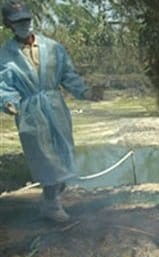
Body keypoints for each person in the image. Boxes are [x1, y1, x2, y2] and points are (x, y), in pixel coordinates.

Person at [0, 0, 101, 222]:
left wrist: (85, 91)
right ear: (8, 24)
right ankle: (52, 204)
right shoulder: (5, 55)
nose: (24, 24)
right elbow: (3, 85)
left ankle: (51, 200)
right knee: (43, 158)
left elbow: (67, 75)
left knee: (64, 154)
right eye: (18, 22)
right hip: (29, 110)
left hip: (55, 106)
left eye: (26, 19)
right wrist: (9, 102)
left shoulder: (53, 47)